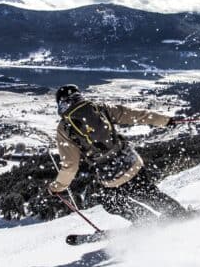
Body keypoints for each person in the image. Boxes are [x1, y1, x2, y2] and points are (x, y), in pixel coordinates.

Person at [47, 84, 187, 224]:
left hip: (110, 174)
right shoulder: (100, 108)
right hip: (131, 162)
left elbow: (70, 165)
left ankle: (147, 222)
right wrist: (165, 120)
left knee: (111, 201)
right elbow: (136, 115)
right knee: (148, 194)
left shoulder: (64, 128)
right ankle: (179, 214)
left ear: (60, 103)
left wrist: (58, 186)